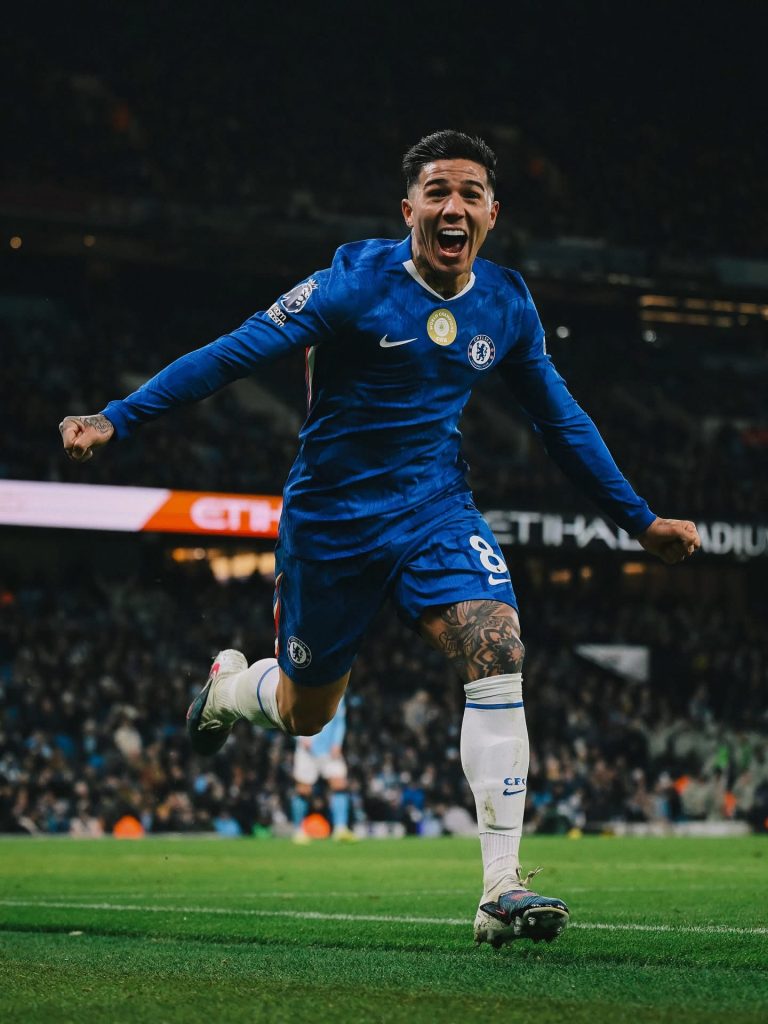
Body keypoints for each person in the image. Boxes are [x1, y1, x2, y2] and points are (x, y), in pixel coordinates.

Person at [59, 129, 701, 948]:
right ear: (408, 210)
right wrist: (117, 418)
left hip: (435, 509)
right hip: (331, 523)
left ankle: (500, 886)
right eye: (437, 192)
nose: (453, 207)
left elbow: (561, 420)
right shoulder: (354, 283)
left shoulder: (506, 304)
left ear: (492, 214)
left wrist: (640, 519)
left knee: (497, 645)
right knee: (304, 714)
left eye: (469, 193)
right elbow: (234, 353)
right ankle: (228, 689)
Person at [290, 696, 357, 843]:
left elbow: (339, 721)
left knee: (339, 784)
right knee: (303, 790)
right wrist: (301, 737)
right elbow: (290, 714)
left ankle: (340, 829)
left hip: (329, 749)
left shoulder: (337, 691)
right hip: (307, 749)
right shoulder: (301, 688)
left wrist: (337, 743)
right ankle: (298, 830)